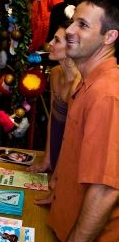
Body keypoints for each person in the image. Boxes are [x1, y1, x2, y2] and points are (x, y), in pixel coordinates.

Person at [34, 0, 119, 242]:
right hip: (75, 240)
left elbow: (105, 188)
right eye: (73, 22)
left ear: (109, 37)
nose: (70, 31)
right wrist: (61, 192)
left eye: (83, 25)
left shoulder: (107, 93)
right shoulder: (88, 84)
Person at [28, 18, 80, 173]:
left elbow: (73, 138)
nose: (50, 43)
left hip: (71, 162)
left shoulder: (78, 84)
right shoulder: (55, 73)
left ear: (71, 47)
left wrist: (58, 175)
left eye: (56, 40)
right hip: (56, 153)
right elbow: (53, 118)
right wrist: (47, 160)